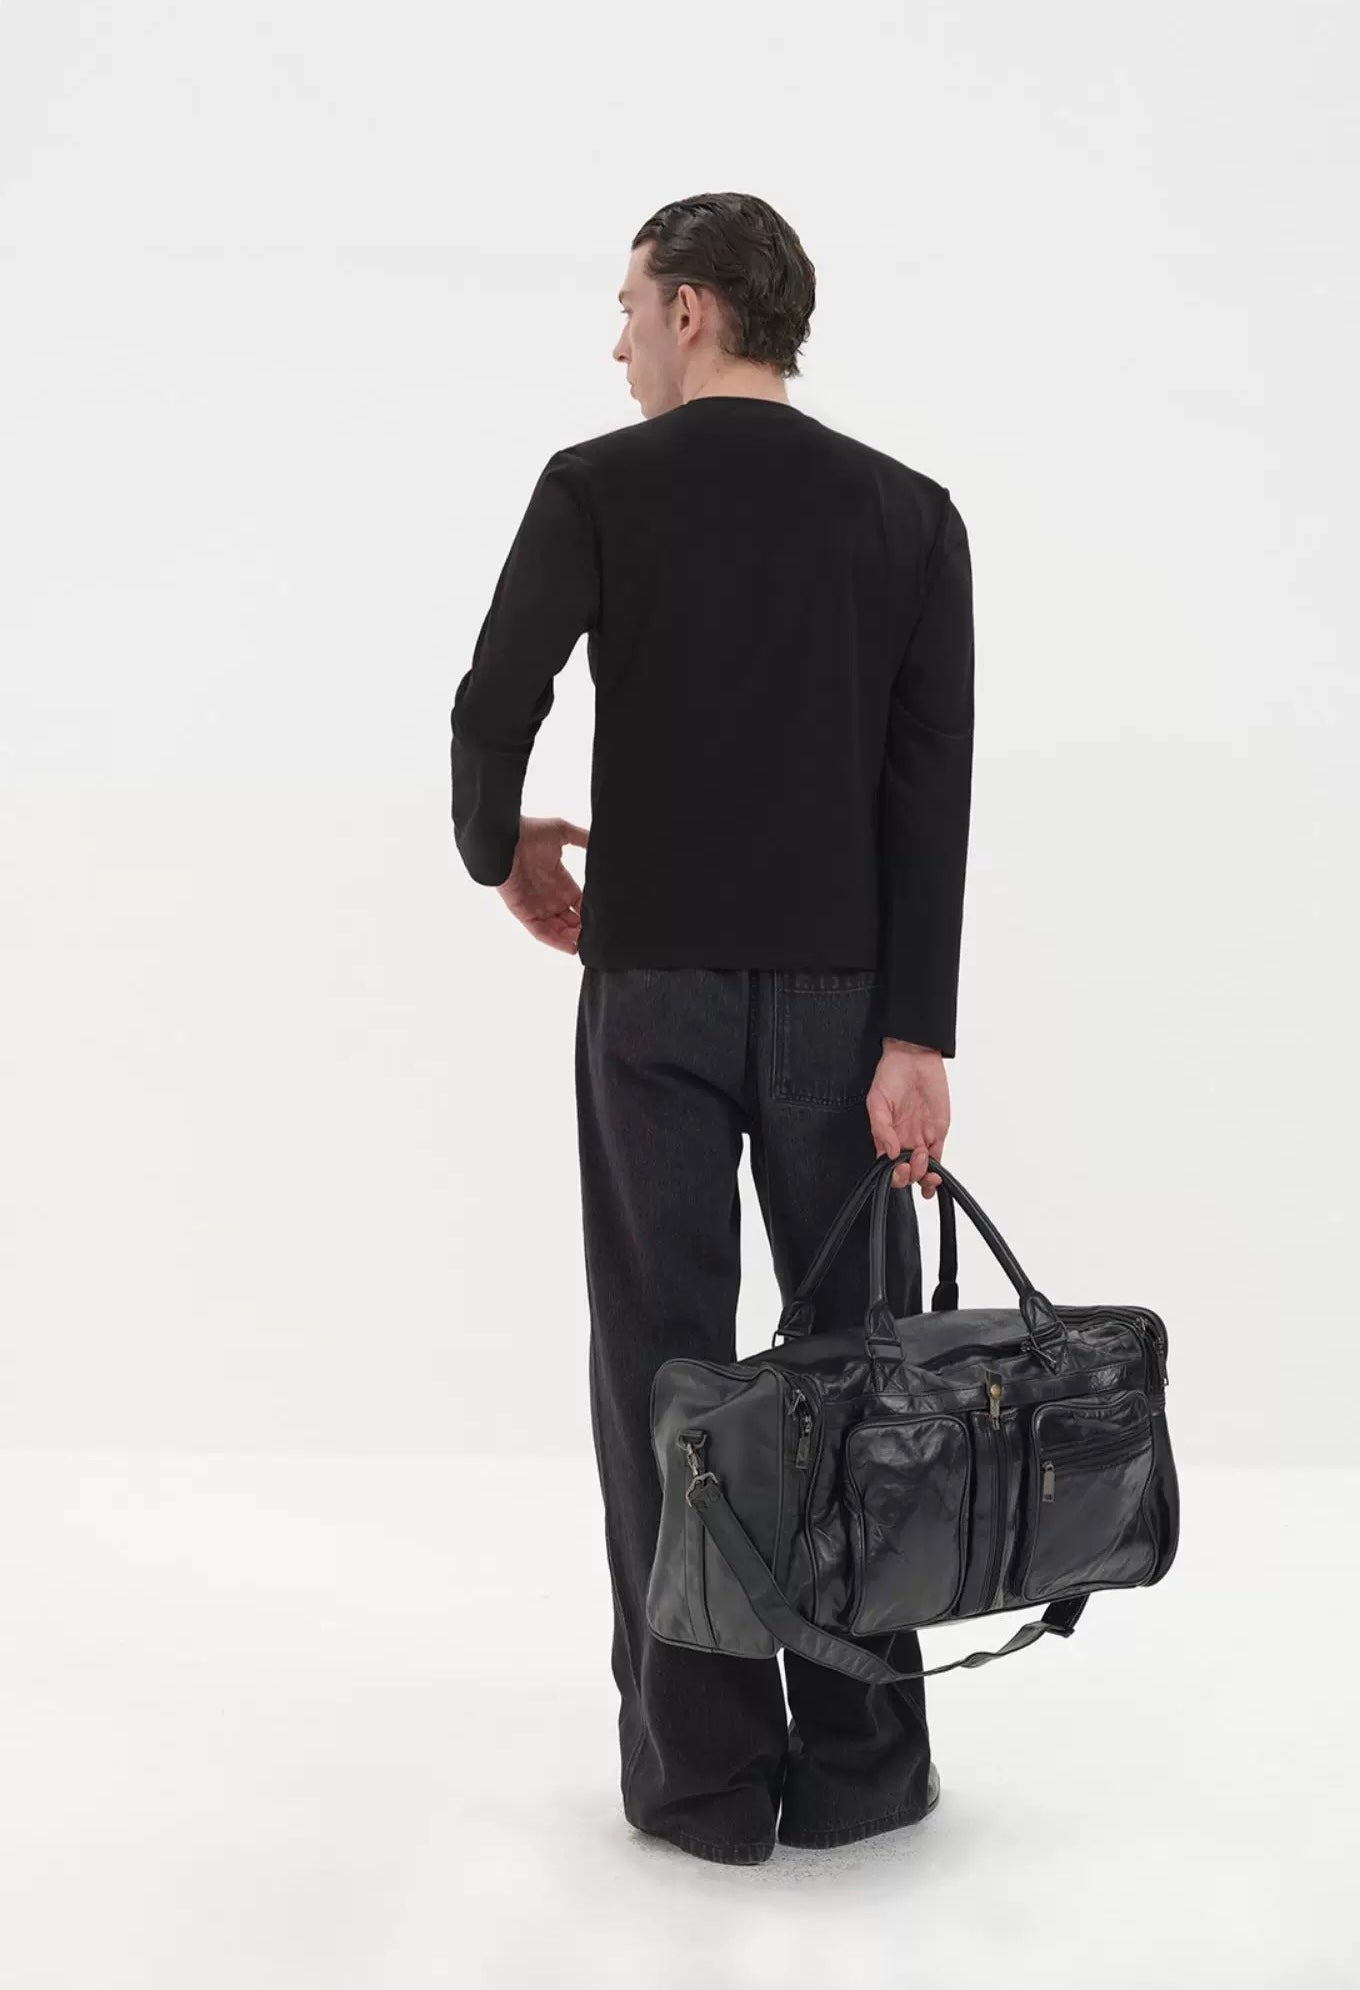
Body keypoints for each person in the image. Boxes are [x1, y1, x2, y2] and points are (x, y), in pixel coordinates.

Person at [449, 192, 974, 1865]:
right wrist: (916, 1034)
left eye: (628, 306)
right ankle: (864, 1765)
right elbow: (928, 797)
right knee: (855, 1374)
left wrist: (503, 848)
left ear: (691, 308)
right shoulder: (909, 515)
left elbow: (493, 703)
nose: (617, 340)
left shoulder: (598, 489)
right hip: (848, 1009)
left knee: (664, 1375)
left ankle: (700, 1776)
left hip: (654, 991)